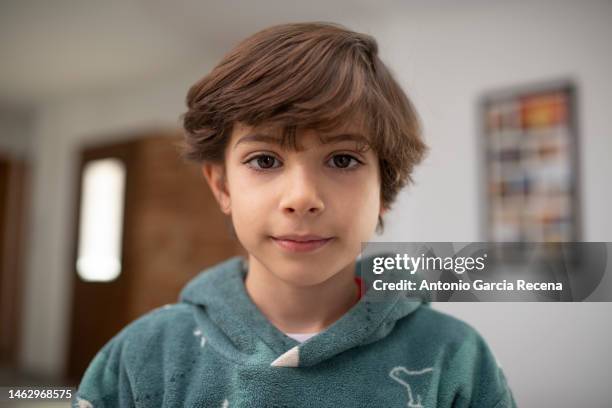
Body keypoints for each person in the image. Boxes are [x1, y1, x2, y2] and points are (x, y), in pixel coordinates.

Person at [74, 22, 516, 407]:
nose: (302, 198)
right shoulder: (143, 354)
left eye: (342, 160)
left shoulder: (454, 357)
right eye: (265, 160)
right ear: (222, 185)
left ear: (385, 187)